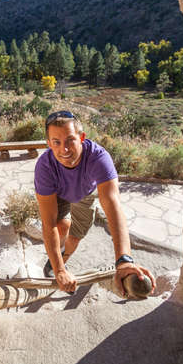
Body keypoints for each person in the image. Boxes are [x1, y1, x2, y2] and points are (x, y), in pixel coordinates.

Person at [34, 110, 156, 295]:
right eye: (56, 142)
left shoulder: (98, 158)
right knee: (61, 227)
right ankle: (55, 266)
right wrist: (59, 272)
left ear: (81, 137)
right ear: (49, 143)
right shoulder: (45, 166)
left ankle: (60, 261)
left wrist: (124, 260)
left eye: (70, 140)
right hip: (58, 194)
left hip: (85, 194)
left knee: (75, 238)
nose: (64, 149)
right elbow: (48, 222)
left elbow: (113, 207)